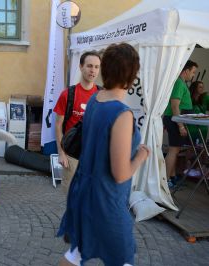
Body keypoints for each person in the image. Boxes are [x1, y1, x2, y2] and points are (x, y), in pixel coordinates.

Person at [57, 43, 150, 266]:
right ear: (131, 75)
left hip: (84, 192)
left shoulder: (95, 100)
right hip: (107, 200)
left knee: (76, 253)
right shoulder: (122, 113)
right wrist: (141, 156)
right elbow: (120, 174)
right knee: (123, 259)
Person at [54, 51, 101, 194]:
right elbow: (58, 125)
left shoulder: (102, 95)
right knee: (70, 196)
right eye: (89, 66)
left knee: (90, 196)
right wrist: (61, 153)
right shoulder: (68, 94)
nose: (93, 70)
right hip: (72, 154)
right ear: (81, 67)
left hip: (93, 155)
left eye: (96, 67)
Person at [163, 60, 198, 188]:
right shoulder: (178, 82)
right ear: (186, 70)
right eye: (193, 72)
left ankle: (171, 178)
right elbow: (174, 105)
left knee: (175, 150)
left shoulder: (181, 83)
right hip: (174, 120)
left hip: (176, 120)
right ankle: (165, 181)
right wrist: (181, 125)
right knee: (173, 150)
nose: (193, 75)